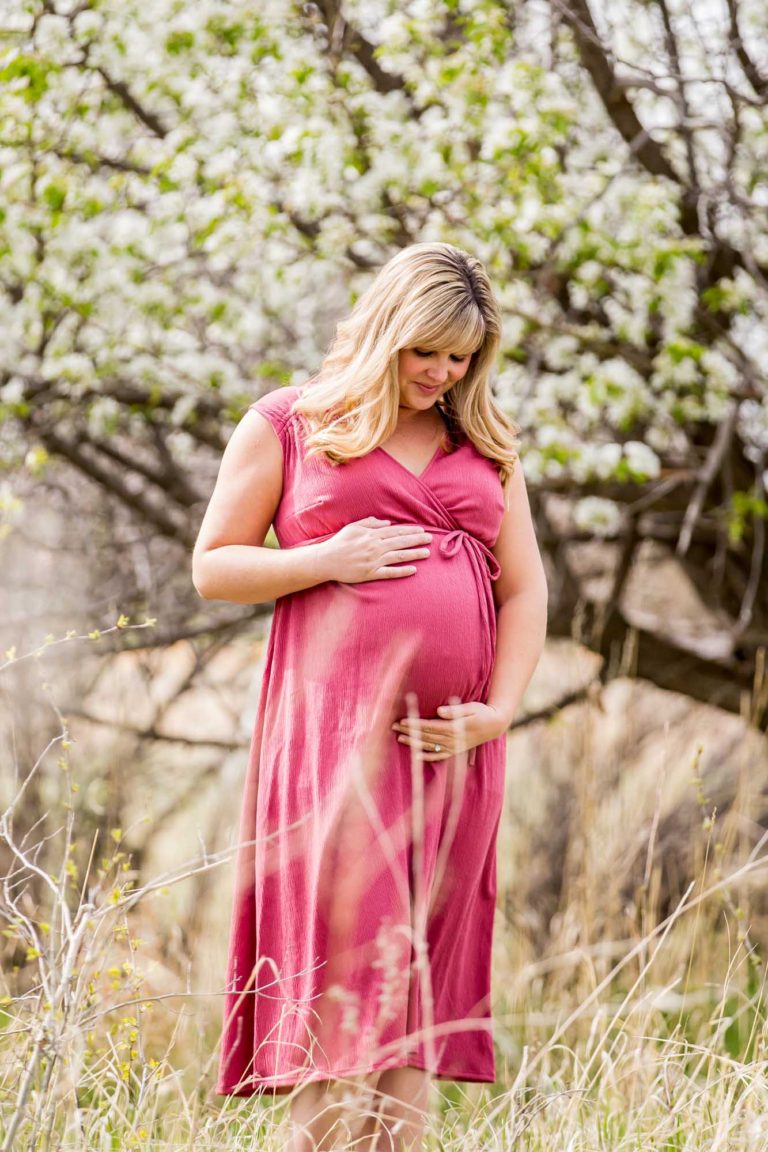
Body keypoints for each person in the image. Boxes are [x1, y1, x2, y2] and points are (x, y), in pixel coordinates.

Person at [192, 241, 548, 1150]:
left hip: (451, 753)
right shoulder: (288, 424)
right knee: (341, 993)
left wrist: (499, 711)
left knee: (413, 1008)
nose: (443, 373)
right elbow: (214, 566)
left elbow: (525, 590)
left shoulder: (487, 446)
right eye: (426, 351)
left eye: (462, 357)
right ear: (387, 331)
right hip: (335, 745)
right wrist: (325, 559)